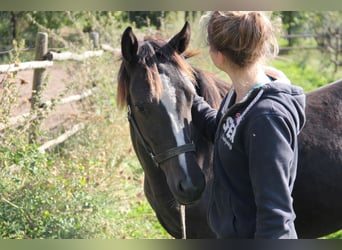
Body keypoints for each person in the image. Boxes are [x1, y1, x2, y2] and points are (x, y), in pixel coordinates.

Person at [191, 11, 306, 238]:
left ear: (218, 56)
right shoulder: (241, 95)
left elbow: (275, 217)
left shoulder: (266, 121)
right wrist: (189, 96)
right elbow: (224, 132)